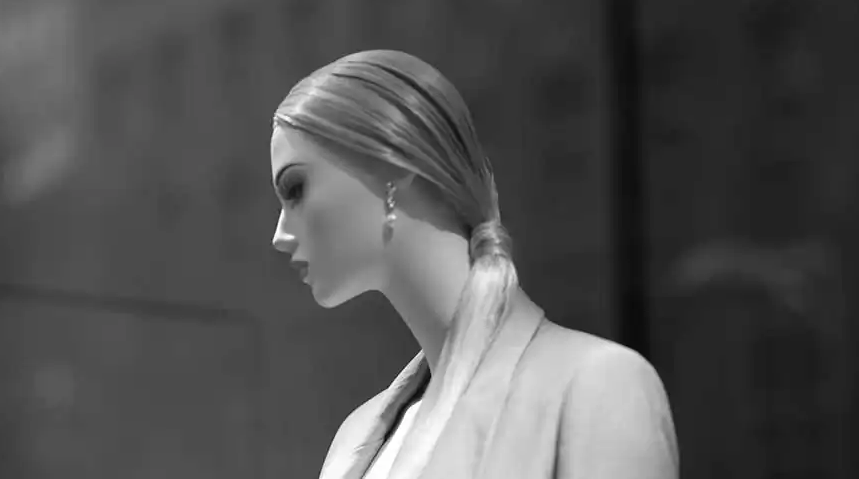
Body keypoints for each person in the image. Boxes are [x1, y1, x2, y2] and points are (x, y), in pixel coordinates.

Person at [269, 50, 679, 479]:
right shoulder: (355, 437)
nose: (279, 234)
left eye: (295, 188)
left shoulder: (595, 387)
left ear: (391, 160)